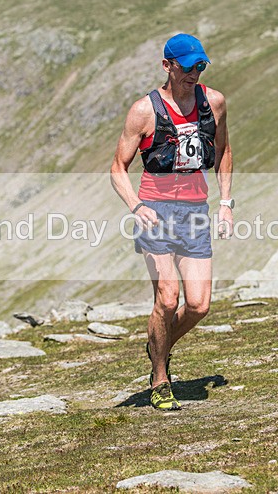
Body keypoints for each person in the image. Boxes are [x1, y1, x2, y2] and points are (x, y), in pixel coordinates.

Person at [111, 33, 234, 410]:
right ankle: (160, 378)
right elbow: (117, 168)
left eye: (201, 66)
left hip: (195, 213)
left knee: (198, 305)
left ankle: (157, 345)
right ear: (168, 66)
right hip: (155, 213)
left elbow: (224, 151)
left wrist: (226, 203)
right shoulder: (144, 111)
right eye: (187, 67)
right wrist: (136, 206)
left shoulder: (214, 102)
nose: (194, 74)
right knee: (167, 298)